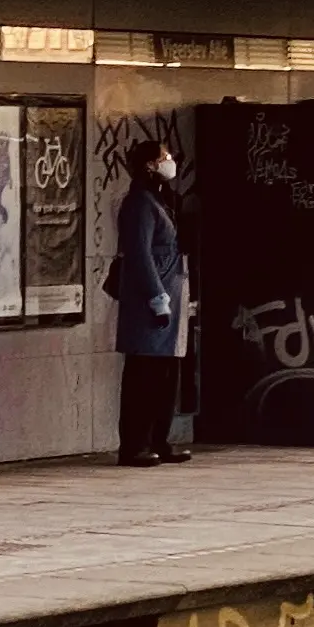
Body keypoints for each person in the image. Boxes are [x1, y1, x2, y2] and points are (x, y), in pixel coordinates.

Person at [107, 136, 191, 465]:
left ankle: (160, 438)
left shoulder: (159, 199)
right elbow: (140, 254)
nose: (170, 160)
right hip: (149, 303)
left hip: (170, 298)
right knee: (144, 374)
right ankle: (134, 444)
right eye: (164, 156)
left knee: (165, 374)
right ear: (150, 165)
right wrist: (157, 297)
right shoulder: (139, 203)